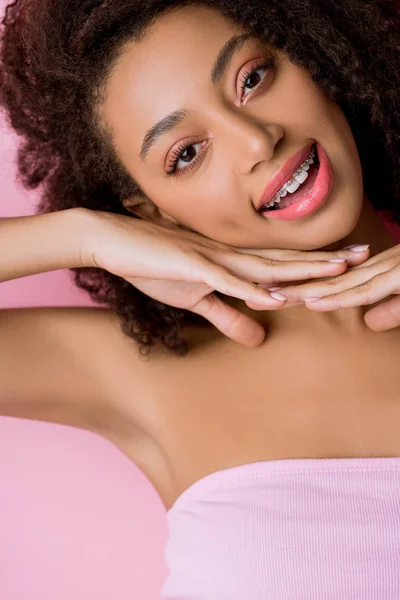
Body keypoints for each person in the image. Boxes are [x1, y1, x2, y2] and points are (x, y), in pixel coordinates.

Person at [1, 0, 400, 597]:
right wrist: (86, 236)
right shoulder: (140, 377)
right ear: (153, 213)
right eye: (186, 154)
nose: (257, 141)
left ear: (311, 58)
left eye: (253, 79)